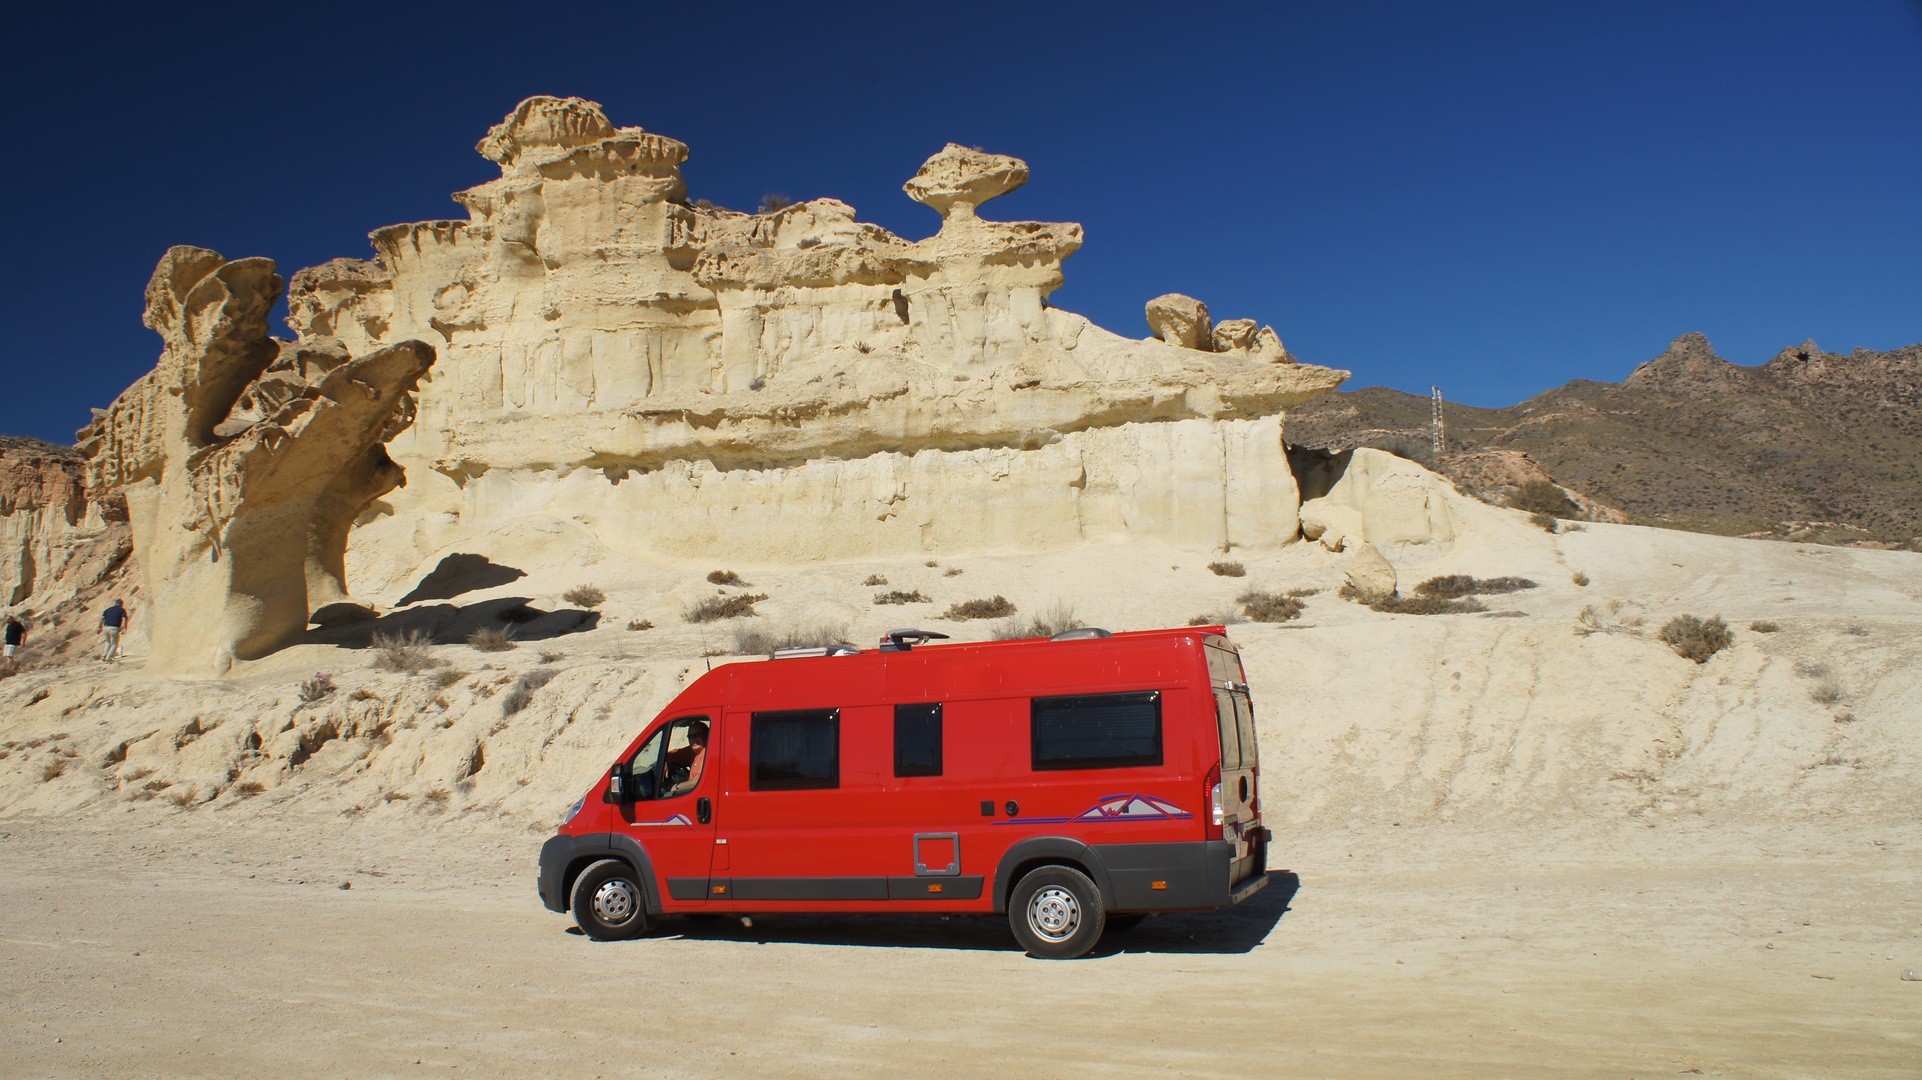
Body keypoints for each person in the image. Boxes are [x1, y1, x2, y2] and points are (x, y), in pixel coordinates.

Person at [662, 720, 709, 797]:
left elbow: (698, 781)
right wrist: (664, 761)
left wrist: (676, 787)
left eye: (697, 735)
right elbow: (672, 755)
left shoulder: (708, 752)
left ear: (707, 735)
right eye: (690, 737)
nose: (693, 739)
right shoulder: (693, 751)